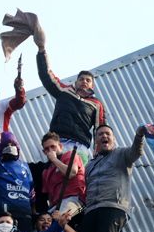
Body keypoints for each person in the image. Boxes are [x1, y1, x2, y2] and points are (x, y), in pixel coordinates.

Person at [35, 21, 106, 159]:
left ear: (92, 86)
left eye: (88, 80)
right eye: (81, 79)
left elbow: (100, 129)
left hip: (80, 146)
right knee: (57, 177)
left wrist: (99, 155)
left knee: (77, 179)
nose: (84, 81)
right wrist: (41, 49)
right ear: (76, 82)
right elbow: (46, 75)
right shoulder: (64, 91)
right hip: (58, 143)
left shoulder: (96, 104)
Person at [81, 124, 153, 232]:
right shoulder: (90, 165)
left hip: (113, 206)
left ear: (113, 139)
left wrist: (139, 135)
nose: (104, 136)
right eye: (100, 134)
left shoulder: (122, 154)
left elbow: (136, 152)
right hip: (91, 209)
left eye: (107, 134)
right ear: (96, 140)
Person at [0, 132, 35, 231]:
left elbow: (31, 189)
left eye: (12, 144)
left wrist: (33, 210)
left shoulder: (25, 165)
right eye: (6, 145)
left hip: (25, 212)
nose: (10, 146)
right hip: (4, 214)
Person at [40, 132, 87, 218]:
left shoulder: (69, 156)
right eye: (47, 149)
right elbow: (49, 195)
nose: (50, 150)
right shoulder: (46, 171)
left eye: (53, 147)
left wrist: (54, 159)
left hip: (74, 199)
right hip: (56, 205)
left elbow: (71, 173)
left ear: (60, 146)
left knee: (59, 220)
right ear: (44, 152)